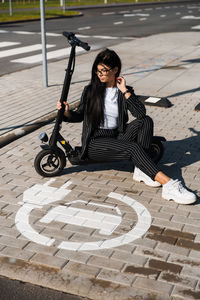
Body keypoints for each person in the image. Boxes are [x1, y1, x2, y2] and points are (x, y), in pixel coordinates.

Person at [57, 48, 196, 205]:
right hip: (95, 142)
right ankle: (169, 185)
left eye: (104, 70)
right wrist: (67, 113)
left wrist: (124, 91)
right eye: (98, 71)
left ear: (115, 70)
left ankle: (141, 171)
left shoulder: (124, 91)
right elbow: (80, 115)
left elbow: (140, 114)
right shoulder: (90, 91)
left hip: (117, 136)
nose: (100, 74)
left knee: (146, 121)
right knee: (133, 148)